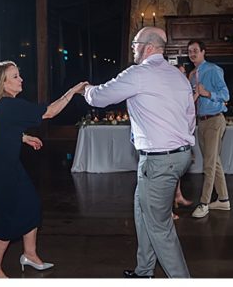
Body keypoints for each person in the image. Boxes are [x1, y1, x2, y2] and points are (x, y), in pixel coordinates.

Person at [82, 27, 195, 278]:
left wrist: (86, 89)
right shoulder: (178, 77)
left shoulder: (140, 73)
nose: (132, 48)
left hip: (159, 160)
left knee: (159, 226)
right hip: (179, 155)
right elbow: (190, 118)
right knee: (141, 210)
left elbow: (101, 97)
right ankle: (144, 271)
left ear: (148, 47)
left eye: (135, 44)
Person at [0, 61, 88, 278]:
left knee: (32, 205)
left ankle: (29, 254)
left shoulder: (3, 104)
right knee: (8, 216)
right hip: (0, 170)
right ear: (3, 83)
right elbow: (48, 112)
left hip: (8, 165)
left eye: (19, 75)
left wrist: (22, 137)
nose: (21, 80)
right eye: (15, 77)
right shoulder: (9, 105)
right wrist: (72, 92)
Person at [185, 40, 231, 219]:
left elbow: (226, 94)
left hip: (214, 120)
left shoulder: (213, 69)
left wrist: (207, 93)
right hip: (201, 122)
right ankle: (223, 199)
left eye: (195, 50)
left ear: (203, 52)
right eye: (190, 51)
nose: (192, 54)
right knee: (214, 162)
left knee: (209, 165)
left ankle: (204, 203)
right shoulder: (192, 74)